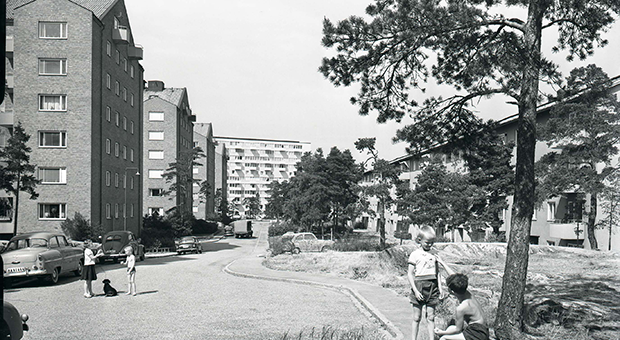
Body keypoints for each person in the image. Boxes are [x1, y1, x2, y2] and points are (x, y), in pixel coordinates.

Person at [407, 226, 453, 340]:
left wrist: (441, 289)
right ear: (419, 240)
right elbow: (410, 274)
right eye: (427, 242)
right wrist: (416, 291)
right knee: (417, 317)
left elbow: (437, 273)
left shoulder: (434, 253)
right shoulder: (415, 254)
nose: (429, 245)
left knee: (431, 317)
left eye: (432, 242)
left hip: (433, 287)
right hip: (419, 286)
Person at [434, 273, 489, 340]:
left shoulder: (462, 308)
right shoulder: (468, 293)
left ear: (452, 291)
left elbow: (458, 329)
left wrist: (441, 332)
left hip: (477, 334)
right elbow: (456, 278)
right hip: (484, 330)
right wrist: (442, 263)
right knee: (450, 328)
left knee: (444, 338)